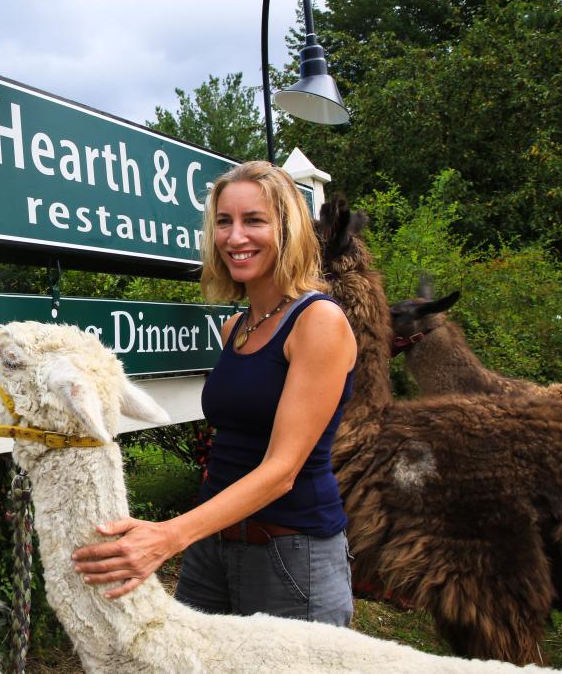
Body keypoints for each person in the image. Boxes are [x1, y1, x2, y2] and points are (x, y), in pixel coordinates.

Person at [70, 160, 358, 626]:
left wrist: (169, 536)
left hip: (289, 555)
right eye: (224, 221)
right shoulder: (235, 328)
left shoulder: (318, 322)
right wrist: (189, 533)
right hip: (212, 545)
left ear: (289, 230)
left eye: (254, 220)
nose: (234, 237)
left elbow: (282, 471)